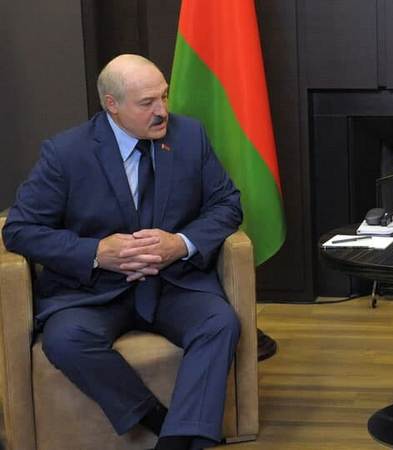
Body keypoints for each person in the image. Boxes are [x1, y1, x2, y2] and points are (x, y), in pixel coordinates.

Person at [2, 54, 243, 450]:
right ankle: (156, 416)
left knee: (220, 323)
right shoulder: (66, 153)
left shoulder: (189, 136)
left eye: (164, 96)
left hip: (173, 283)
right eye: (147, 102)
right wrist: (97, 251)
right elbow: (20, 230)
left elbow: (227, 204)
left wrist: (180, 244)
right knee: (65, 339)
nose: (162, 110)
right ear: (111, 104)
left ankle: (179, 441)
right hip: (96, 291)